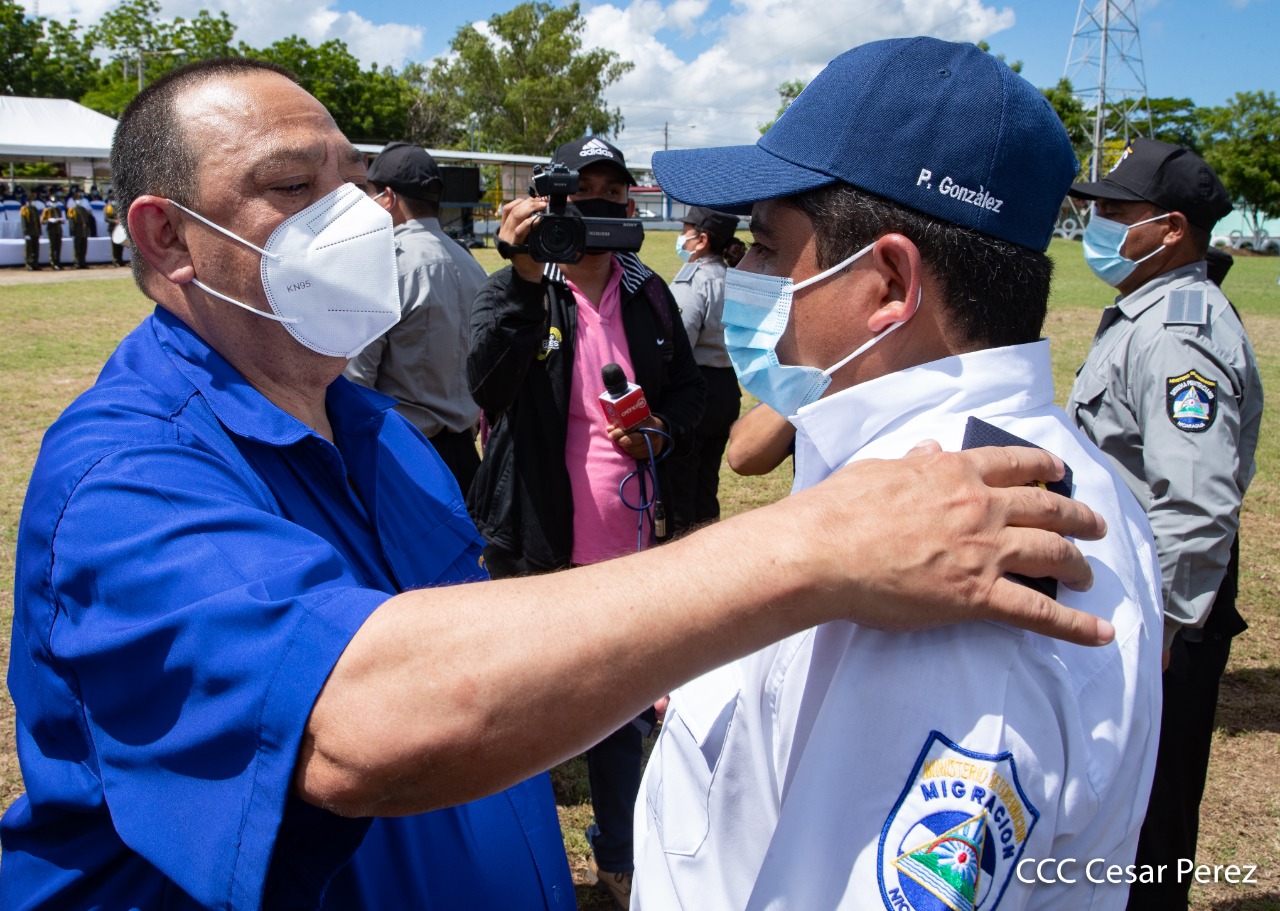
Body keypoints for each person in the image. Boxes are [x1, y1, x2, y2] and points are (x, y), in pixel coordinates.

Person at [3, 57, 1116, 911]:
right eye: (293, 187)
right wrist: (813, 548)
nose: (353, 216)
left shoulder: (373, 432)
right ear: (169, 238)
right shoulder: (125, 476)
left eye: (352, 180)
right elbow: (352, 721)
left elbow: (489, 647)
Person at [634, 36, 1165, 910]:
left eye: (766, 247)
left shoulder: (958, 556)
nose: (745, 274)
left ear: (886, 282)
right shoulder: (921, 491)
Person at [468, 136, 706, 908]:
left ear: (629, 203)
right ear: (549, 204)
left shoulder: (648, 291)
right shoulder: (521, 288)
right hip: (536, 537)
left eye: (612, 192)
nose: (596, 206)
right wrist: (524, 275)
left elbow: (693, 394)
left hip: (631, 540)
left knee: (620, 710)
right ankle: (524, 862)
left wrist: (660, 430)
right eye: (579, 193)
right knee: (529, 709)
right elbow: (486, 384)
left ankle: (619, 858)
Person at [1065, 137, 1264, 911]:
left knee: (1149, 826)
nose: (1098, 225)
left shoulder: (1180, 333)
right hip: (1136, 589)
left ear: (1171, 228)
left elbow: (1197, 503)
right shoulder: (1146, 312)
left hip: (1165, 607)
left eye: (1117, 212)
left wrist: (1165, 630)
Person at [343, 141, 491, 495]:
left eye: (369, 193)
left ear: (388, 198)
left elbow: (356, 383)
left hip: (403, 460)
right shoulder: (471, 264)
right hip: (466, 457)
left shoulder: (384, 263)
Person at [668, 206, 742, 531]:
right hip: (727, 387)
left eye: (685, 230)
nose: (681, 238)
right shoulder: (735, 277)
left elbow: (678, 343)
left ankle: (683, 548)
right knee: (706, 483)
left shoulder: (695, 279)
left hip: (696, 388)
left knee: (680, 484)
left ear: (702, 240)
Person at [68, 191, 94, 268]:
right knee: (77, 248)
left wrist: (88, 230)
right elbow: (71, 221)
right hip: (77, 230)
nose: (79, 200)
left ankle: (83, 262)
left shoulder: (84, 209)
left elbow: (87, 221)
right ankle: (77, 262)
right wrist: (72, 231)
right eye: (77, 199)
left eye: (80, 199)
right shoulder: (72, 210)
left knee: (83, 247)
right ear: (74, 200)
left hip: (84, 231)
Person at [39, 195, 64, 270]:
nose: (54, 203)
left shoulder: (58, 210)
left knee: (58, 247)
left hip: (58, 230)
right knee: (52, 247)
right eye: (53, 202)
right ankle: (53, 263)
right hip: (51, 230)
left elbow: (60, 218)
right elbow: (42, 221)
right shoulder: (47, 210)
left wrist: (60, 220)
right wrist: (49, 220)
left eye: (55, 202)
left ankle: (58, 261)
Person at [19, 193, 41, 271]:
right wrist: (25, 233)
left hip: (35, 231)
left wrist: (39, 231)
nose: (30, 201)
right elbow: (24, 222)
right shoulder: (24, 209)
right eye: (29, 200)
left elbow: (38, 221)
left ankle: (35, 263)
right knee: (29, 248)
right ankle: (29, 263)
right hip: (29, 232)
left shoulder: (35, 209)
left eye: (31, 200)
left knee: (36, 248)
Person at [104, 194, 126, 266]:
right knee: (114, 245)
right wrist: (114, 221)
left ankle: (120, 260)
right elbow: (106, 219)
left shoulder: (119, 207)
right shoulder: (108, 208)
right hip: (112, 228)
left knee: (120, 244)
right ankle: (115, 260)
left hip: (120, 228)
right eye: (113, 199)